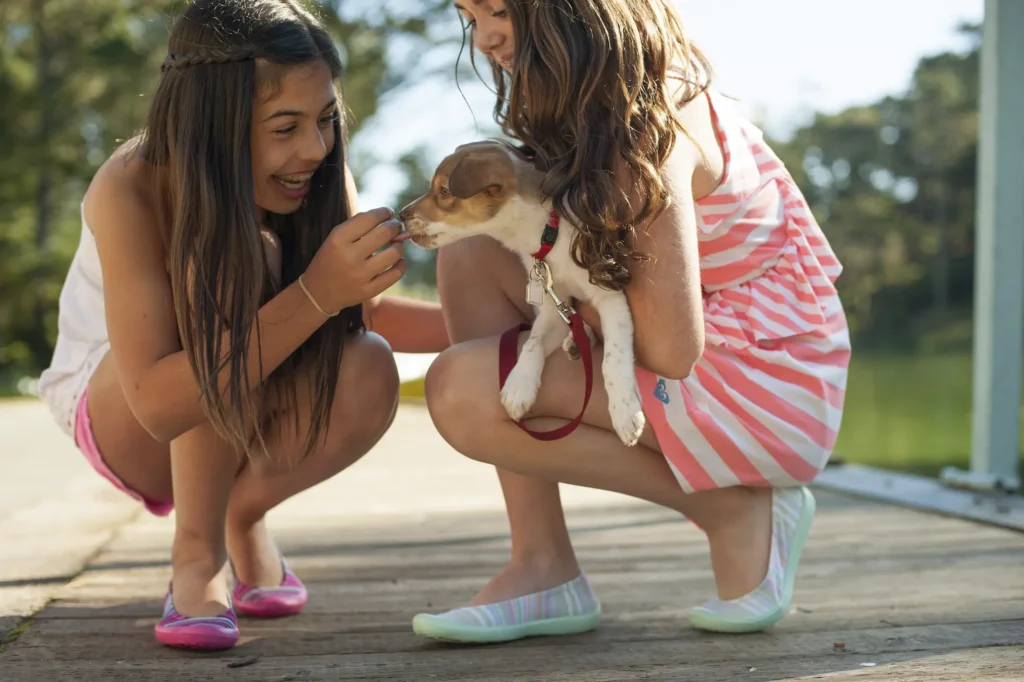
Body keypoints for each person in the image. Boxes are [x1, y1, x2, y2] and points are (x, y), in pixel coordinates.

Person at [412, 0, 850, 642]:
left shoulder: (645, 131)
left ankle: (730, 507)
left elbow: (673, 348)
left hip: (769, 388)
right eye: (469, 16)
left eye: (500, 10)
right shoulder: (606, 108)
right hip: (750, 362)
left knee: (463, 392)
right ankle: (542, 565)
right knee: (476, 248)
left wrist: (570, 318)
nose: (484, 38)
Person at [36, 0, 447, 651]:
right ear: (213, 123)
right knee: (233, 254)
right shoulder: (132, 184)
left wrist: (507, 323)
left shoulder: (316, 171)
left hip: (238, 400)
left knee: (367, 362)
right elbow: (157, 404)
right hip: (124, 412)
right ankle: (197, 554)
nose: (314, 148)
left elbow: (360, 314)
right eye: (285, 127)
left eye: (326, 121)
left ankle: (242, 513)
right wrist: (314, 290)